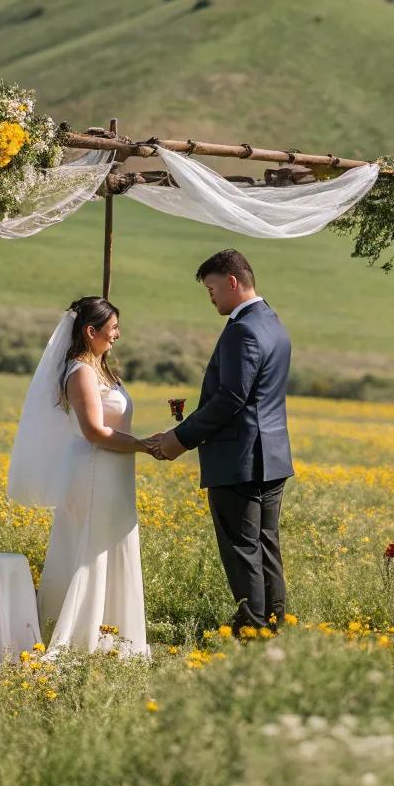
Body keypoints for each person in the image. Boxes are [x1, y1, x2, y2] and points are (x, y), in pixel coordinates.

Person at [147, 249, 293, 631]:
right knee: (265, 545)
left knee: (243, 548)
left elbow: (231, 398)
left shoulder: (243, 329)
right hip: (272, 456)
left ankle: (252, 626)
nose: (210, 296)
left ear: (232, 282)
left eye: (212, 288)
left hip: (240, 458)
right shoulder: (273, 322)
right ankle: (276, 622)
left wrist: (180, 438)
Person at [7, 296, 151, 656]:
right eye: (113, 327)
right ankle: (78, 638)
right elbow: (94, 431)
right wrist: (144, 446)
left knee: (108, 545)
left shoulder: (100, 368)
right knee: (90, 549)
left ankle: (111, 634)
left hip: (113, 472)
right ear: (91, 331)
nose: (118, 334)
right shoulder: (81, 372)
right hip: (93, 471)